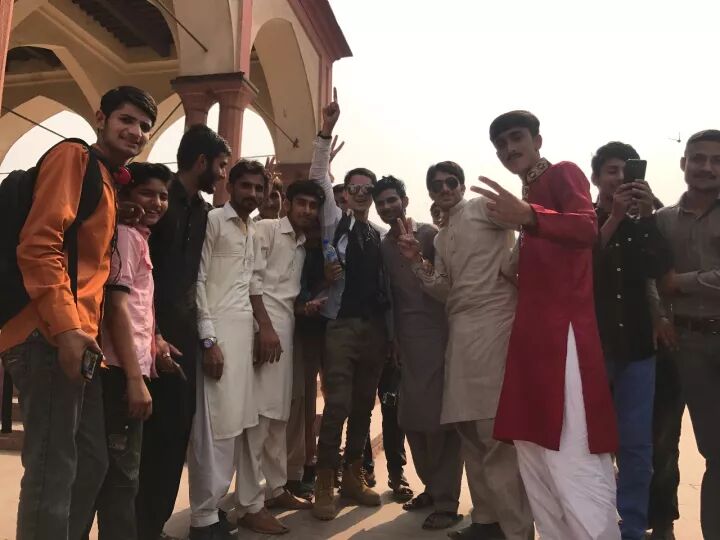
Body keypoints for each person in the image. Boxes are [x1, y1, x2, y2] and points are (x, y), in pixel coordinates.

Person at [0, 85, 157, 540]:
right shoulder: (74, 158)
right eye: (126, 120)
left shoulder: (105, 181)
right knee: (53, 469)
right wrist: (67, 329)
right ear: (100, 119)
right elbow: (39, 245)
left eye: (145, 126)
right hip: (47, 332)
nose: (136, 131)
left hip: (79, 342)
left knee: (89, 462)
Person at [480, 110, 619, 539]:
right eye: (500, 145)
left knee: (572, 455)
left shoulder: (563, 173)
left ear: (538, 140)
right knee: (535, 456)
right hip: (532, 339)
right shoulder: (526, 198)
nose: (509, 149)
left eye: (516, 138)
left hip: (565, 336)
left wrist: (530, 216)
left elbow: (587, 228)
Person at [397, 161, 533, 540]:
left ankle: (517, 531)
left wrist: (512, 267)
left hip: (495, 321)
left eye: (451, 181)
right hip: (459, 330)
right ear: (430, 192)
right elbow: (444, 289)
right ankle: (486, 522)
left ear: (461, 184)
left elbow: (529, 227)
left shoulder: (482, 208)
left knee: (494, 433)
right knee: (468, 430)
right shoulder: (442, 238)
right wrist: (416, 262)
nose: (445, 188)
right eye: (437, 184)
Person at [136, 124, 231, 540]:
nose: (223, 175)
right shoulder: (159, 203)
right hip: (145, 337)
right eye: (221, 166)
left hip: (184, 340)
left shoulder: (202, 212)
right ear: (201, 162)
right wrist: (152, 333)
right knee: (142, 442)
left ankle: (151, 527)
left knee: (173, 439)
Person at [309, 90, 390, 520]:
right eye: (353, 187)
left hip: (374, 329)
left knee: (363, 406)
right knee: (337, 404)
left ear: (372, 194)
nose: (359, 193)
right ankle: (325, 482)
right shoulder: (334, 222)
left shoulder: (380, 234)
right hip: (340, 326)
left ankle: (354, 476)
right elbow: (318, 177)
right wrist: (326, 131)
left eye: (366, 189)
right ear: (345, 192)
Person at [590, 142, 672, 540]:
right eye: (612, 171)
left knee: (637, 445)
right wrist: (615, 218)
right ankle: (596, 523)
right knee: (592, 445)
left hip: (639, 349)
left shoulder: (647, 221)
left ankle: (633, 527)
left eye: (627, 171)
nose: (620, 179)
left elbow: (660, 266)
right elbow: (583, 269)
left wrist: (646, 216)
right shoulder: (583, 219)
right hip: (594, 348)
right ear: (596, 178)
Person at [374, 176, 464, 531]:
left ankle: (447, 501)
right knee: (411, 418)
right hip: (405, 344)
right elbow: (390, 297)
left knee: (440, 422)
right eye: (381, 203)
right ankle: (431, 487)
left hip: (437, 337)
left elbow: (446, 282)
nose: (387, 207)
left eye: (392, 200)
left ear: (405, 201)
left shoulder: (429, 236)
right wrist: (393, 338)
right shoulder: (383, 246)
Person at [188, 159, 270, 540]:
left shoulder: (251, 230)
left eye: (258, 188)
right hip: (217, 338)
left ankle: (215, 509)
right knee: (213, 430)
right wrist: (208, 339)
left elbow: (251, 285)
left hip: (241, 341)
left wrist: (259, 329)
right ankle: (202, 518)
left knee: (233, 428)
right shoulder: (213, 221)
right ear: (231, 186)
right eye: (246, 186)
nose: (252, 193)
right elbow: (199, 281)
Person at [238, 180, 326, 534]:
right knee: (259, 419)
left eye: (313, 206)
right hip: (265, 333)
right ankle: (249, 504)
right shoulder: (267, 229)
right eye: (301, 203)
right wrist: (264, 328)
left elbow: (285, 295)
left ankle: (275, 489)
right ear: (287, 203)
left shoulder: (302, 246)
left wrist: (305, 307)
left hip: (286, 330)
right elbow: (252, 280)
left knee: (278, 417)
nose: (307, 210)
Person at [91, 162, 172, 540]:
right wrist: (135, 379)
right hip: (119, 371)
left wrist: (156, 341)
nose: (157, 202)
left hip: (129, 366)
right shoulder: (125, 235)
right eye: (147, 193)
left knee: (120, 474)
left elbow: (138, 307)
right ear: (124, 196)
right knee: (121, 478)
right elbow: (117, 306)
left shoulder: (137, 236)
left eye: (163, 196)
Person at [650, 129, 720, 540]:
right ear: (684, 163)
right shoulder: (662, 221)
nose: (707, 167)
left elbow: (668, 280)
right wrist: (660, 316)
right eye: (698, 158)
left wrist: (682, 282)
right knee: (673, 445)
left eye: (716, 160)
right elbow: (650, 280)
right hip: (682, 345)